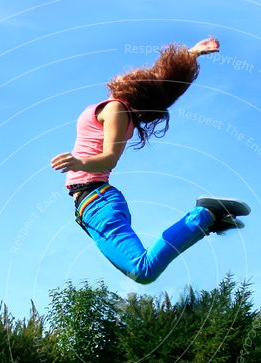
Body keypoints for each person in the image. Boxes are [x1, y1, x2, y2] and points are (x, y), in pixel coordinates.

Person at [50, 37, 250, 285]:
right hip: (93, 205)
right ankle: (207, 220)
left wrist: (79, 164)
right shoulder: (123, 110)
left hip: (97, 201)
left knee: (143, 271)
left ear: (136, 86)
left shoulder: (116, 110)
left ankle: (205, 215)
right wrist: (192, 54)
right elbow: (162, 80)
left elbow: (109, 159)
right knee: (141, 272)